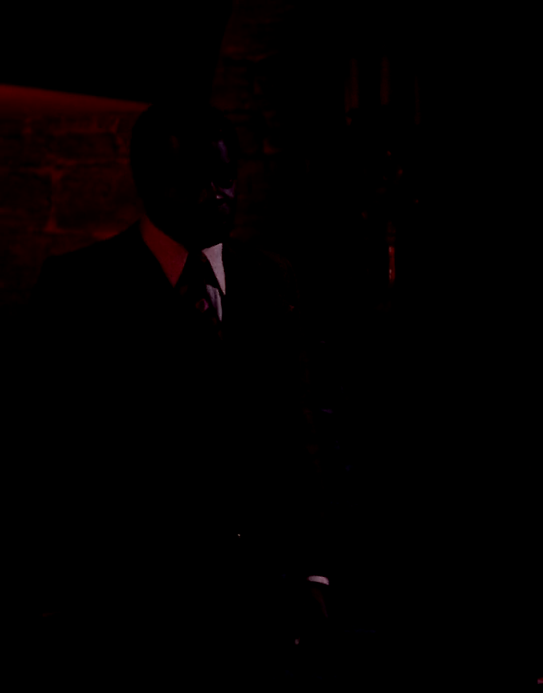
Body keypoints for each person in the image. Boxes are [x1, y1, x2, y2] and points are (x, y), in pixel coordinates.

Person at [14, 100, 332, 683]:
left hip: (260, 600)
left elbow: (297, 431)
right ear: (149, 183)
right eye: (194, 181)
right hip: (131, 609)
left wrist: (314, 573)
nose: (217, 196)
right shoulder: (79, 289)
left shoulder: (270, 277)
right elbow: (45, 451)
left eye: (226, 178)